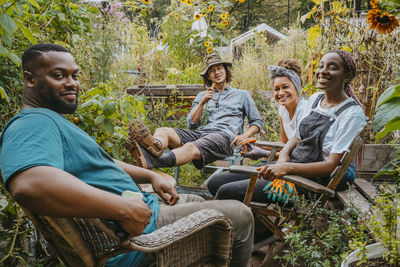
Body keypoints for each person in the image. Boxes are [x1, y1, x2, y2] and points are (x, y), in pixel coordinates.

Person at [0, 43, 254, 267]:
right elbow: (29, 184)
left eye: (75, 75)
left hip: (145, 210)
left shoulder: (52, 121)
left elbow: (103, 162)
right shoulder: (32, 124)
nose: (72, 83)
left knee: (197, 202)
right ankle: (159, 156)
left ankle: (155, 160)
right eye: (59, 75)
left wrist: (149, 175)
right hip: (136, 239)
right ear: (30, 79)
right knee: (240, 215)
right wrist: (123, 209)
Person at [207, 50, 367, 203]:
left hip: (307, 182)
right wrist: (283, 156)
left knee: (226, 191)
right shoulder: (316, 99)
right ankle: (257, 227)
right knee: (214, 182)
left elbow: (330, 166)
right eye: (321, 66)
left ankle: (237, 228)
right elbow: (297, 136)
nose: (323, 71)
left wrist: (287, 168)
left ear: (347, 76)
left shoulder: (351, 113)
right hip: (290, 165)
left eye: (332, 68)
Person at [128, 53, 264, 170]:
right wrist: (202, 103)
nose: (216, 72)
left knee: (190, 147)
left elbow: (257, 122)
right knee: (164, 131)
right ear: (208, 77)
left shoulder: (242, 95)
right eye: (212, 71)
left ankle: (151, 159)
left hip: (225, 137)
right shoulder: (202, 96)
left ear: (226, 71)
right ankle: (155, 146)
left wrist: (245, 135)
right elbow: (191, 124)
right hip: (201, 134)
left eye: (219, 68)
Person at [208, 59, 307, 200]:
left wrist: (263, 153)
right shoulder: (283, 109)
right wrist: (256, 148)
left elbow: (301, 157)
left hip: (294, 176)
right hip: (280, 165)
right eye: (276, 89)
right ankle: (244, 215)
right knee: (214, 183)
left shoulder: (305, 112)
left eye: (286, 87)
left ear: (297, 87)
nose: (281, 93)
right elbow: (283, 145)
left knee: (225, 191)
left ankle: (233, 219)